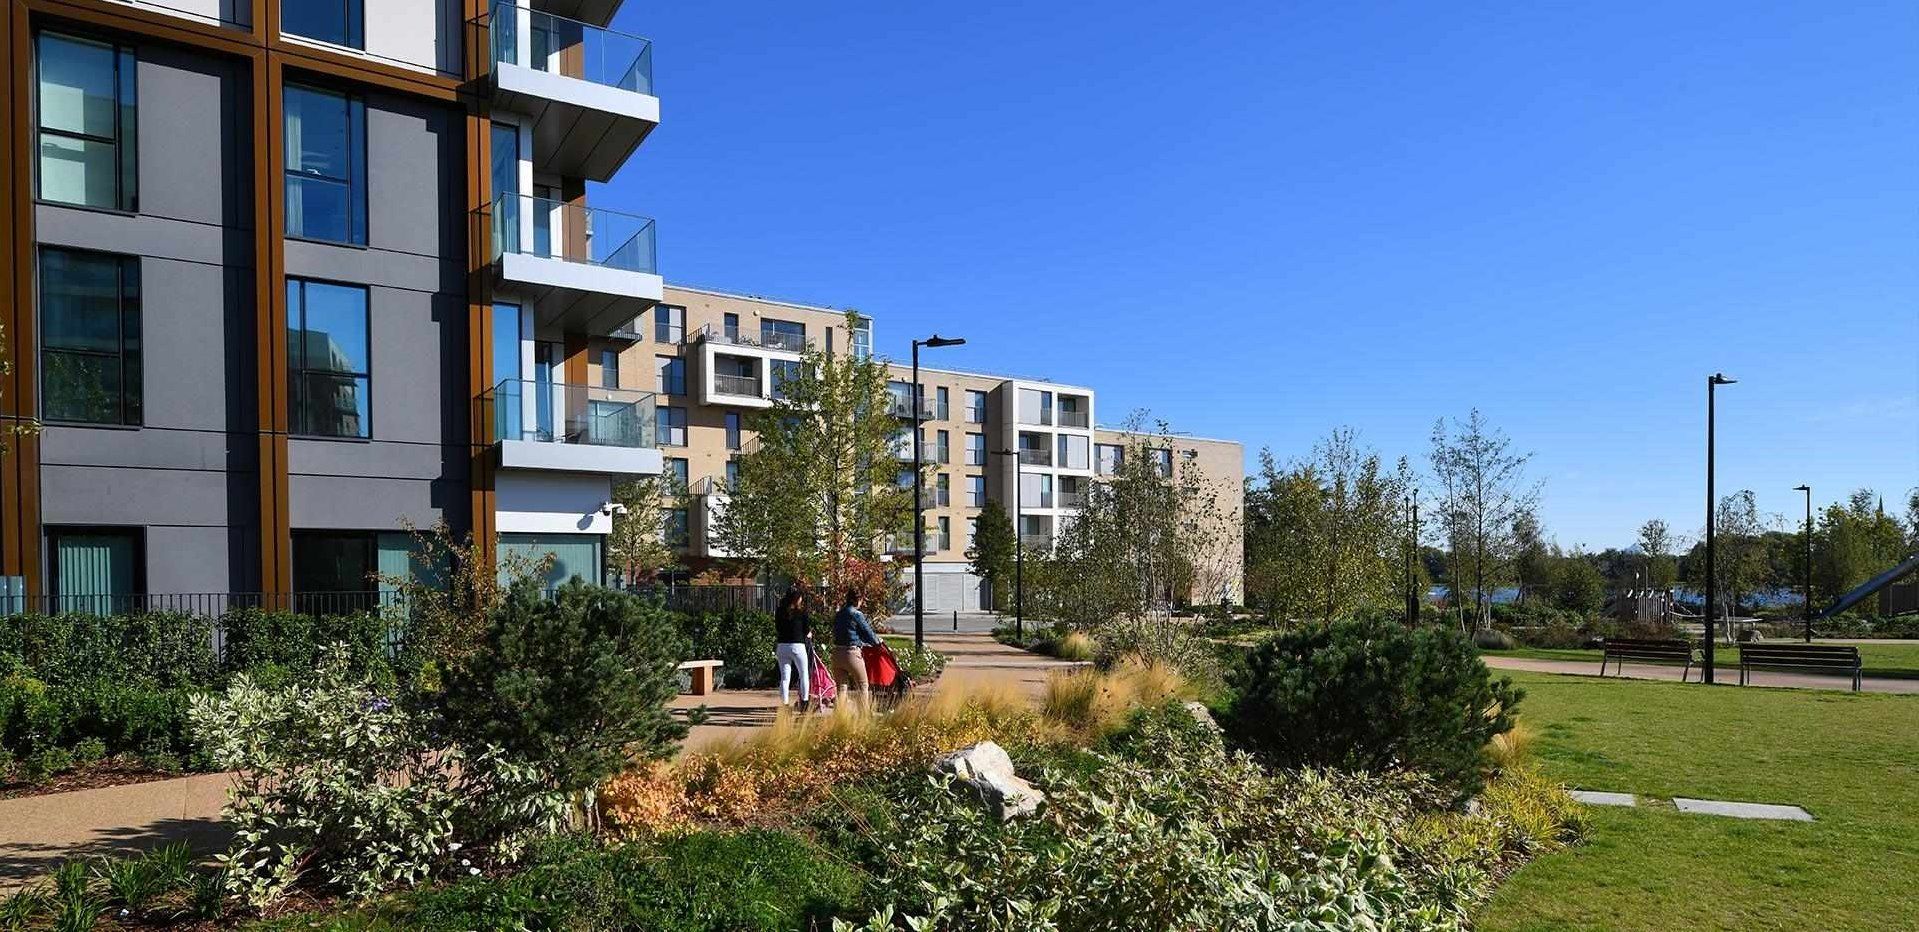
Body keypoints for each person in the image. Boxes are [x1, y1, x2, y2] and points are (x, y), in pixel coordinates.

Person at [830, 589, 882, 712]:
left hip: (837, 653)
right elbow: (867, 632)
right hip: (851, 653)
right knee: (863, 685)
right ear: (858, 600)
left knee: (841, 688)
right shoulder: (856, 614)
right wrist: (877, 642)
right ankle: (864, 715)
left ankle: (840, 716)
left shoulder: (839, 614)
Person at [773, 588, 814, 711]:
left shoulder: (780, 611)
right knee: (804, 674)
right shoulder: (802, 612)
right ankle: (804, 703)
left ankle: (785, 705)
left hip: (782, 646)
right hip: (797, 645)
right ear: (797, 599)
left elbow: (778, 628)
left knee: (785, 677)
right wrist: (809, 634)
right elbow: (806, 630)